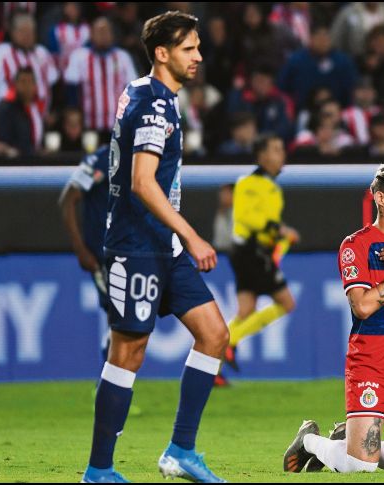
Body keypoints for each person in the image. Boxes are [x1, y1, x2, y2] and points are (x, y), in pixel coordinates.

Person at [81, 11, 229, 484]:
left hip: (162, 246)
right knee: (128, 352)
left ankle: (181, 450)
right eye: (189, 48)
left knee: (214, 334)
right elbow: (144, 183)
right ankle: (98, 470)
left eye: (199, 47)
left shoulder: (145, 92)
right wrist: (191, 233)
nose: (199, 56)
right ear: (162, 53)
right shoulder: (155, 106)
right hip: (137, 246)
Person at [282, 163, 384, 474]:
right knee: (361, 467)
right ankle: (310, 441)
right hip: (370, 365)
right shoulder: (356, 245)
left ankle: (346, 442)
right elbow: (362, 307)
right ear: (380, 198)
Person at [223, 134, 300, 377]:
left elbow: (267, 223)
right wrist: (279, 230)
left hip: (256, 251)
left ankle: (212, 364)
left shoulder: (272, 187)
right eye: (276, 149)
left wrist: (279, 237)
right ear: (262, 156)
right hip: (250, 251)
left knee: (246, 310)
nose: (282, 154)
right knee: (286, 303)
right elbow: (246, 217)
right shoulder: (247, 183)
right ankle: (229, 342)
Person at [59, 145, 112, 360]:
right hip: (103, 254)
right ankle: (108, 384)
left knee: (126, 323)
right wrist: (80, 249)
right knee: (120, 320)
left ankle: (110, 384)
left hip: (129, 251)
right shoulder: (101, 159)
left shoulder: (139, 155)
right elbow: (68, 199)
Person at [64, 16, 139, 138]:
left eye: (106, 31)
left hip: (118, 127)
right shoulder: (79, 57)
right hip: (89, 126)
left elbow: (134, 91)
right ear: (91, 35)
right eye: (99, 31)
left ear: (112, 34)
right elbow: (71, 91)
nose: (103, 35)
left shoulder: (122, 57)